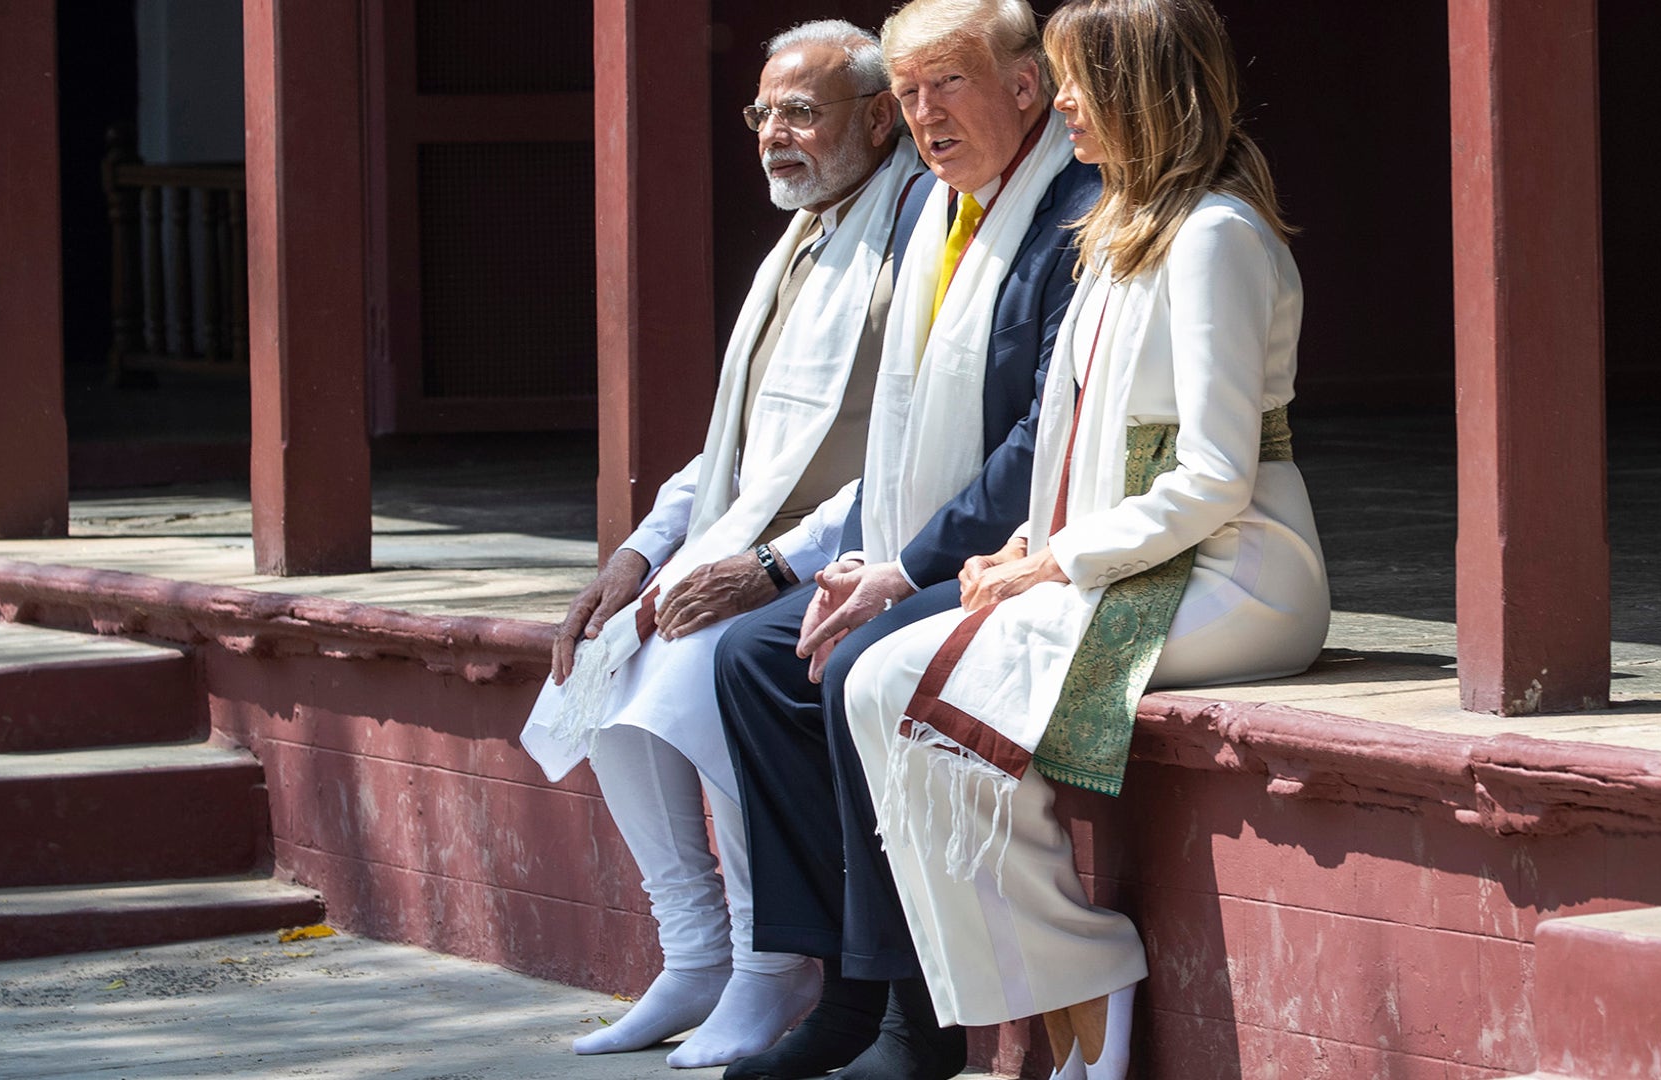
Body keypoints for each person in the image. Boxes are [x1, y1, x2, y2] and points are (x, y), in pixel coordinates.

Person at [842, 1, 1330, 1077]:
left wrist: (1057, 560)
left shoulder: (1215, 237)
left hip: (1230, 577)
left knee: (927, 699)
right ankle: (1060, 1002)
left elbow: (1211, 474)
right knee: (878, 687)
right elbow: (1075, 441)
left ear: (1145, 89)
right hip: (1128, 563)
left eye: (1077, 80)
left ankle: (1091, 982)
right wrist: (1024, 543)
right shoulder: (1118, 234)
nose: (1060, 101)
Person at [515, 21, 924, 1069]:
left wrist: (770, 569)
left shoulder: (917, 232)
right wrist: (640, 555)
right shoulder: (803, 235)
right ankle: (694, 952)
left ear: (878, 118)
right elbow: (735, 450)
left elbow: (913, 452)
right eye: (761, 114)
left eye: (800, 113)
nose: (773, 136)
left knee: (702, 663)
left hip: (851, 545)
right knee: (605, 662)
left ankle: (767, 959)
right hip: (753, 539)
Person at [713, 2, 1100, 1077]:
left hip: (1032, 549)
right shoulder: (940, 208)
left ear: (1026, 89)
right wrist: (868, 553)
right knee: (756, 658)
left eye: (950, 86)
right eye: (914, 92)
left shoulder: (1077, 213)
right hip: (920, 542)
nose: (926, 116)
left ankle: (916, 1021)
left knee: (854, 670)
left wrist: (908, 567)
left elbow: (1042, 441)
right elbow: (899, 414)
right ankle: (845, 983)